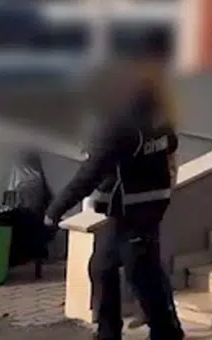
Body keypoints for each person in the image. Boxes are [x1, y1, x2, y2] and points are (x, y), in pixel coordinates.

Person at [44, 30, 184, 340]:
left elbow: (91, 172)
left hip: (138, 207)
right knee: (103, 266)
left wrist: (54, 210)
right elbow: (168, 144)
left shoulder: (123, 119)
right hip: (133, 205)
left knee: (142, 273)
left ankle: (167, 332)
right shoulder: (151, 108)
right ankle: (109, 332)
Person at [0, 150, 55, 272]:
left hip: (26, 222)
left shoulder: (27, 182)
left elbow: (13, 206)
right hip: (33, 222)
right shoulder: (37, 180)